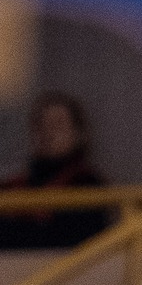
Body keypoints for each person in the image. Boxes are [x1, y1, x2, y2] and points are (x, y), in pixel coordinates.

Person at [0, 93, 109, 252]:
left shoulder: (88, 184)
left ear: (78, 134)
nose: (47, 133)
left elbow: (68, 238)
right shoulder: (12, 186)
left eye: (58, 125)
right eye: (40, 125)